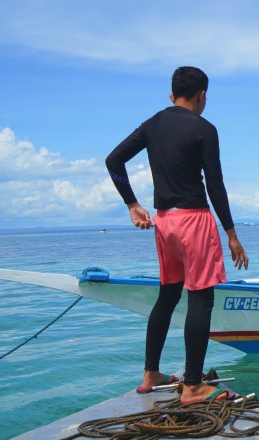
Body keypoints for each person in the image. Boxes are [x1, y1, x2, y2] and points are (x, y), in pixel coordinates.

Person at [105, 66, 247, 405]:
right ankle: (194, 386)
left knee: (168, 295)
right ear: (202, 95)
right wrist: (231, 233)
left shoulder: (153, 123)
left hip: (163, 221)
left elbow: (113, 161)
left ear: (172, 95)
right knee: (201, 299)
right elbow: (215, 184)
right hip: (194, 221)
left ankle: (150, 373)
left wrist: (132, 204)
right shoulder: (205, 128)